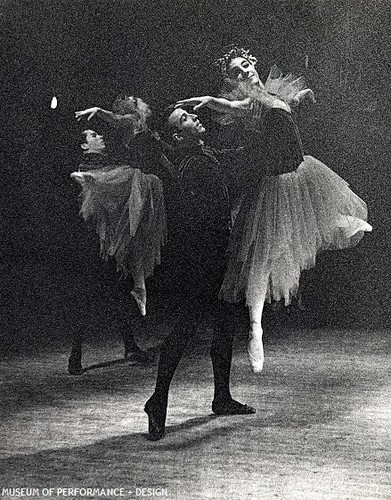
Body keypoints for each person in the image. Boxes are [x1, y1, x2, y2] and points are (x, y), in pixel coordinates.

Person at [177, 46, 372, 374]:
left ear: (254, 64)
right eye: (237, 73)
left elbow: (282, 107)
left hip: (300, 174)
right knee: (263, 259)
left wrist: (300, 98)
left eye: (246, 67)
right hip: (275, 184)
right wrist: (210, 102)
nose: (245, 74)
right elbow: (233, 104)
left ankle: (340, 222)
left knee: (306, 228)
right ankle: (256, 329)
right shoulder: (250, 102)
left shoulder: (273, 93)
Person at [144, 105, 256, 441]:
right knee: (187, 326)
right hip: (201, 259)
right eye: (185, 119)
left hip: (214, 255)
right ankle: (157, 400)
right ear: (179, 136)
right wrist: (215, 252)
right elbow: (193, 218)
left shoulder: (203, 155)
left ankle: (221, 396)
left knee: (223, 324)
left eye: (192, 115)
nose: (195, 118)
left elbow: (237, 155)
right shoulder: (189, 165)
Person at [68, 128, 156, 374]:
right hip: (91, 244)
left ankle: (128, 345)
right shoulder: (85, 171)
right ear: (85, 146)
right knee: (88, 298)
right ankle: (76, 352)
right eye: (94, 136)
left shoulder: (108, 168)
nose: (101, 137)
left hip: (111, 244)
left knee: (118, 292)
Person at [75, 95, 167, 315]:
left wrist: (173, 170)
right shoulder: (130, 121)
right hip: (138, 181)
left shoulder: (143, 128)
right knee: (133, 233)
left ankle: (139, 286)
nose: (139, 101)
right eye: (134, 100)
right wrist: (98, 109)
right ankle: (138, 286)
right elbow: (116, 119)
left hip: (147, 182)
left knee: (136, 236)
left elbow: (160, 155)